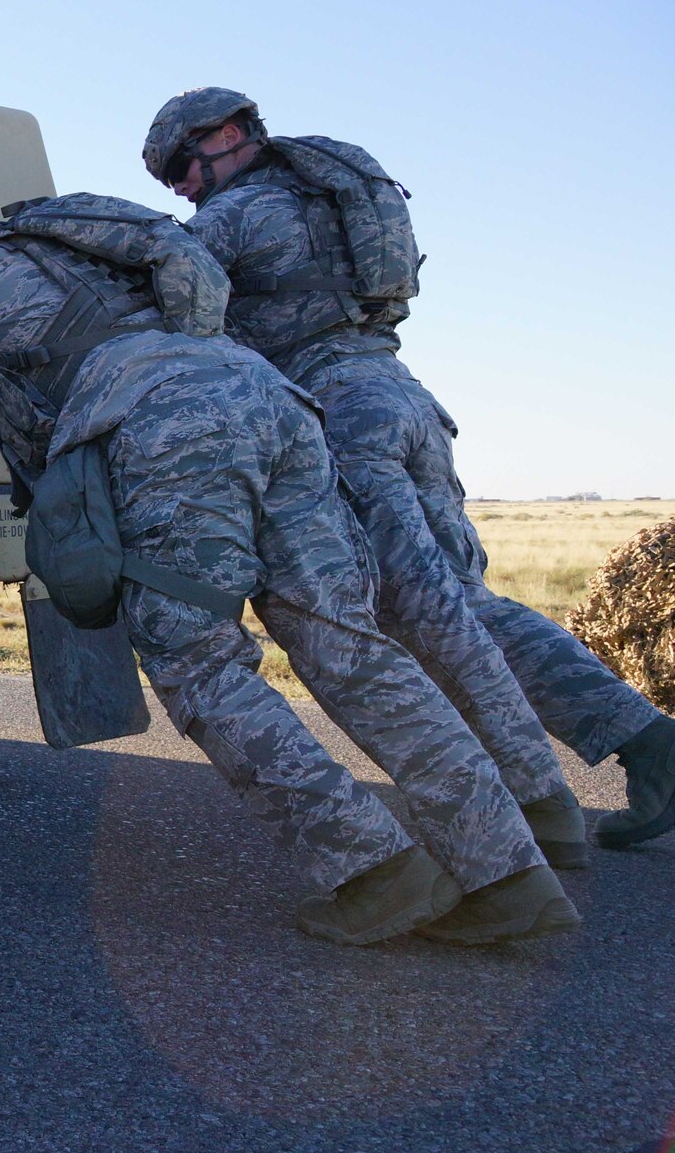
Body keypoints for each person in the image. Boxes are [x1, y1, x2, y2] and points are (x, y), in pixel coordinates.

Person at [0, 195, 577, 945]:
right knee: (352, 649)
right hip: (270, 398)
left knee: (201, 665)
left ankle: (375, 870)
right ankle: (509, 874)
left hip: (167, 426)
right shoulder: (92, 250)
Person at [142, 88, 675, 856]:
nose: (183, 187)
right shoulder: (327, 198)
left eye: (183, 167)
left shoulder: (238, 215)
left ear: (228, 136)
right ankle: (644, 742)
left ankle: (549, 797)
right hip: (402, 398)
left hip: (341, 414)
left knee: (427, 614)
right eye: (169, 181)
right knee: (464, 605)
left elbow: (159, 287)